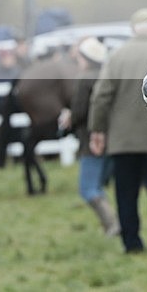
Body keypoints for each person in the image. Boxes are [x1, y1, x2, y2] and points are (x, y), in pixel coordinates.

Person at [89, 9, 147, 253]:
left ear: (133, 28)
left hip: (122, 141)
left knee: (125, 194)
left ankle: (132, 243)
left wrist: (97, 130)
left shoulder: (117, 56)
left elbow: (101, 97)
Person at [58, 37, 120, 236]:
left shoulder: (84, 78)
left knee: (88, 188)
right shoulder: (107, 74)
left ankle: (112, 224)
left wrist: (70, 117)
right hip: (112, 138)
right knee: (98, 185)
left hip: (91, 140)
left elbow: (79, 110)